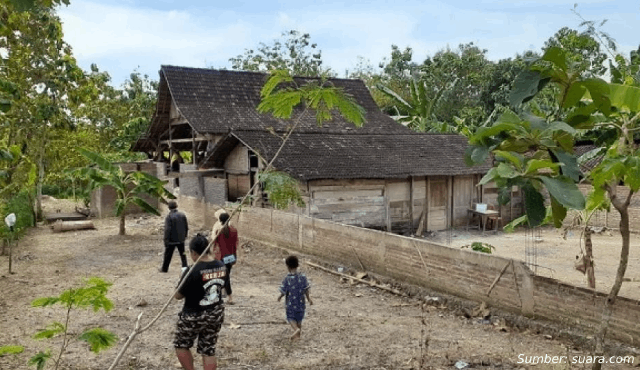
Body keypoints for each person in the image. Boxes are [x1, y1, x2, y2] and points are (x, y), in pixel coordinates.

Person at [173, 234, 227, 370]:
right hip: (215, 313)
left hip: (193, 315)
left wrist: (181, 277)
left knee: (181, 345)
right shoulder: (221, 265)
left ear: (194, 253)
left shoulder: (192, 271)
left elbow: (178, 296)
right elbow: (223, 288)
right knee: (208, 349)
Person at [277, 255, 313, 340]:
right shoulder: (303, 277)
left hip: (291, 304)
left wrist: (280, 297)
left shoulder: (287, 279)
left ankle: (296, 329)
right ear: (297, 265)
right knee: (299, 318)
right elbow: (306, 290)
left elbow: (284, 291)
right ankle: (298, 336)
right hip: (301, 303)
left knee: (290, 318)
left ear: (288, 267)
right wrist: (309, 299)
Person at [214, 212, 238, 304]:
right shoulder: (234, 231)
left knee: (223, 277)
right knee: (226, 276)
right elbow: (235, 244)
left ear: (220, 221)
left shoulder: (218, 232)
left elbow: (216, 245)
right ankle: (224, 296)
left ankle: (229, 297)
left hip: (222, 257)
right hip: (231, 257)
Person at [161, 200, 189, 273]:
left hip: (171, 240)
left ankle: (164, 269)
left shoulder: (169, 217)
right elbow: (186, 227)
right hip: (181, 239)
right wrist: (184, 236)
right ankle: (185, 267)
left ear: (169, 208)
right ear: (176, 206)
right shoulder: (182, 215)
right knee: (183, 254)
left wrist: (166, 240)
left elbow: (167, 230)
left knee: (168, 255)